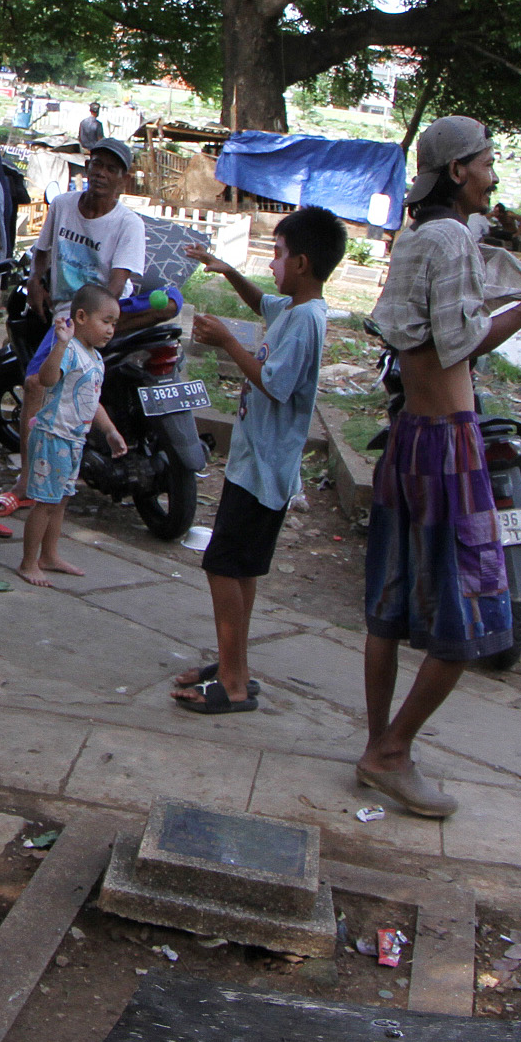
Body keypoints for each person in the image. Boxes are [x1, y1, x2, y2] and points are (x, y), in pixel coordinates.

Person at [359, 117, 521, 816]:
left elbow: (418, 334)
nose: (493, 176)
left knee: (389, 609)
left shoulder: (417, 238)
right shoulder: (450, 239)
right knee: (475, 616)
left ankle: (379, 746)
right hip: (450, 444)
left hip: (406, 438)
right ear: (457, 171)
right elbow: (461, 345)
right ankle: (392, 753)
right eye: (486, 163)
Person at [171, 207, 343, 714]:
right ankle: (235, 666)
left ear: (302, 263)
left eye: (278, 254)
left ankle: (233, 683)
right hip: (257, 465)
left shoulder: (306, 321)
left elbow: (274, 384)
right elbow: (261, 301)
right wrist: (227, 271)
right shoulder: (294, 307)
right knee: (239, 568)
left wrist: (228, 341)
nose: (272, 264)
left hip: (265, 469)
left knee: (222, 567)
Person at [17, 283, 128, 586]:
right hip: (52, 436)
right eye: (106, 321)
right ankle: (28, 563)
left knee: (61, 500)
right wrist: (60, 344)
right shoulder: (68, 350)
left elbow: (93, 401)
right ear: (81, 317)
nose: (111, 330)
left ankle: (49, 555)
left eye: (114, 324)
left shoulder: (96, 359)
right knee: (45, 503)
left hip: (73, 439)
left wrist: (110, 431)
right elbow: (46, 379)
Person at [25, 138, 171, 337]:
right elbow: (42, 250)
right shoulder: (61, 205)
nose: (101, 173)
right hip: (67, 309)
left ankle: (104, 330)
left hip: (107, 306)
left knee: (173, 299)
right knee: (46, 356)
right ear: (87, 167)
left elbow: (116, 286)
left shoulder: (129, 223)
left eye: (111, 169)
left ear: (123, 179)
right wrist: (34, 280)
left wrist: (91, 321)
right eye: (97, 164)